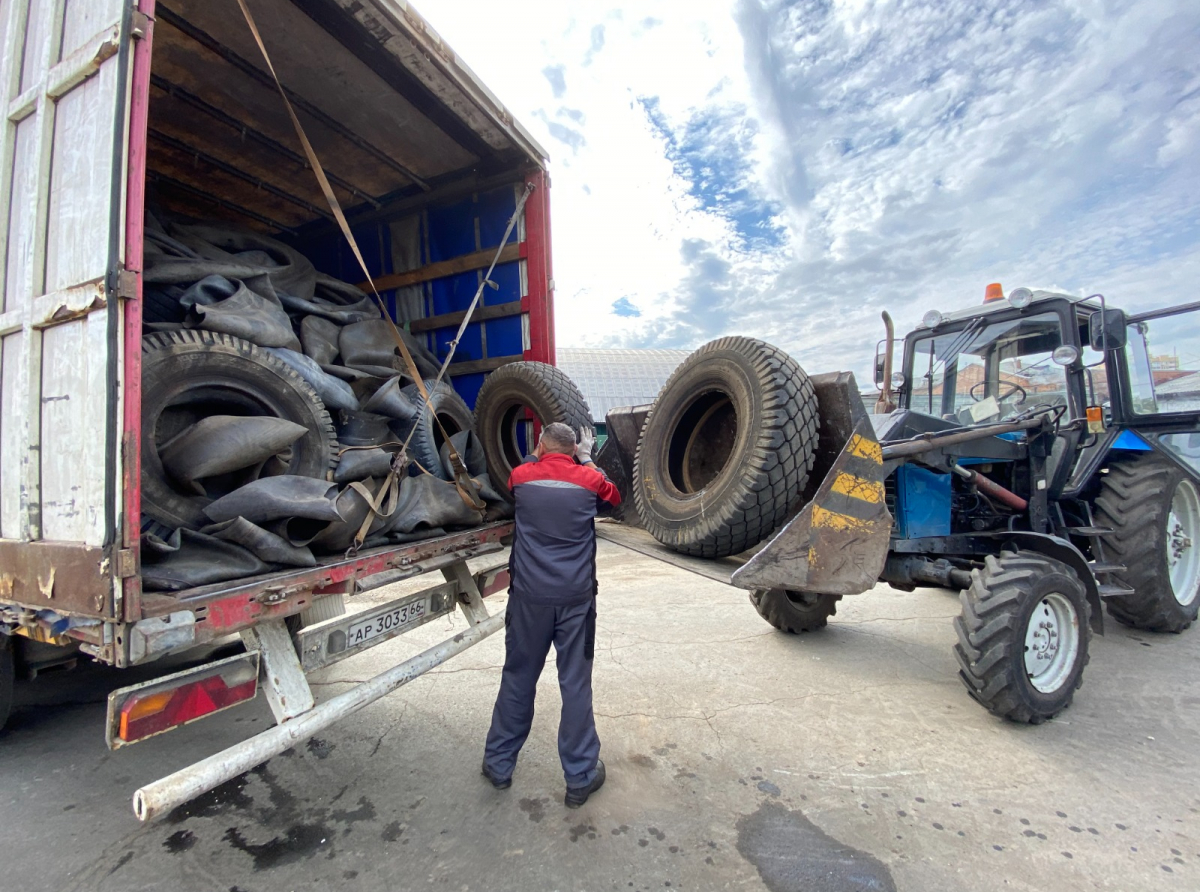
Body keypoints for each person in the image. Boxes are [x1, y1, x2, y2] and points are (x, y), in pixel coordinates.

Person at [482, 421, 621, 808]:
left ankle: (498, 766)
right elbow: (613, 499)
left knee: (518, 678)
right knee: (574, 683)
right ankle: (579, 777)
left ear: (542, 445)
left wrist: (538, 452)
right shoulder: (589, 481)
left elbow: (521, 472)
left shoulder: (522, 477)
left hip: (528, 599)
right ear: (574, 449)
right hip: (575, 600)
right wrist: (588, 458)